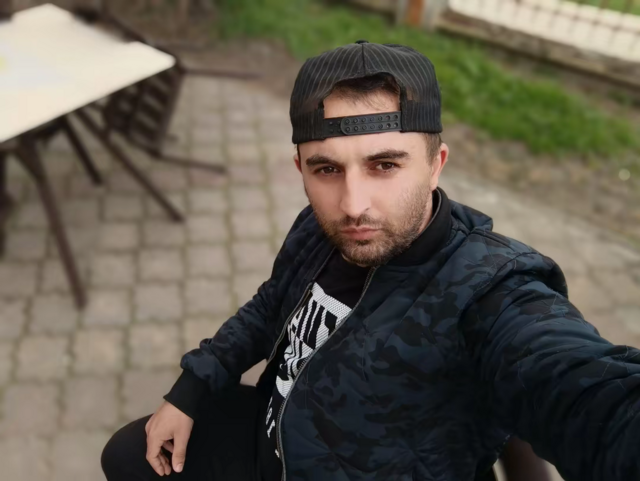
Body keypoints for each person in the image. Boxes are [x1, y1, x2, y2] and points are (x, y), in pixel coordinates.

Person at [101, 41, 639, 481]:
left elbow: (583, 392)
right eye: (327, 170)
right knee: (128, 455)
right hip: (272, 436)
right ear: (300, 168)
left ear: (436, 165)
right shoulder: (317, 227)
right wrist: (193, 387)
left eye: (384, 165)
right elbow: (270, 306)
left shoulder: (489, 289)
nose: (353, 205)